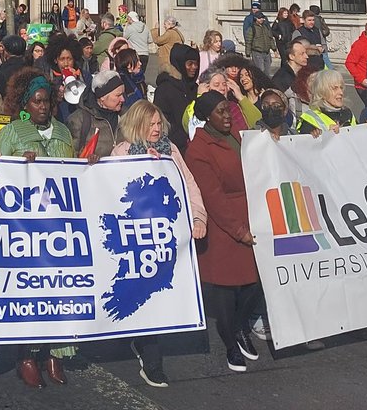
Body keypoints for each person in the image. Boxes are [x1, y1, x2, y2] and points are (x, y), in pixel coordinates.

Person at [110, 99, 207, 388]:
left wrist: (199, 217)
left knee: (161, 292)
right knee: (143, 294)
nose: (155, 128)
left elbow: (188, 183)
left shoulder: (171, 150)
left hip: (166, 233)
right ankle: (148, 352)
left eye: (158, 123)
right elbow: (112, 190)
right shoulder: (122, 152)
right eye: (150, 124)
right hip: (137, 236)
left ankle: (150, 351)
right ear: (137, 125)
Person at [0, 70, 80, 388]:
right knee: (29, 291)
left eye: (47, 101)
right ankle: (26, 354)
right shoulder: (13, 132)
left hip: (57, 228)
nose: (43, 107)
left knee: (58, 289)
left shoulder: (63, 132)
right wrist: (19, 167)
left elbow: (73, 174)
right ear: (25, 104)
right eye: (37, 101)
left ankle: (54, 352)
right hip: (23, 229)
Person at [183, 90, 261, 373]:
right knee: (228, 289)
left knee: (254, 283)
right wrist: (238, 231)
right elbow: (213, 197)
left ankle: (240, 329)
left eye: (228, 110)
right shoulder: (199, 149)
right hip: (223, 225)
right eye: (220, 112)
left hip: (249, 215)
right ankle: (231, 344)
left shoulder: (237, 137)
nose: (227, 116)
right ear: (206, 116)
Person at [67, 70, 126, 159]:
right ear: (102, 97)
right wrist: (86, 159)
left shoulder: (126, 116)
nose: (123, 99)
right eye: (118, 95)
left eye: (123, 94)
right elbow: (70, 155)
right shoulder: (79, 120)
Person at [154, 44, 200, 153]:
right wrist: (184, 140)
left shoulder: (195, 87)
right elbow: (162, 120)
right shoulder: (164, 89)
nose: (194, 67)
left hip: (196, 144)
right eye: (190, 64)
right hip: (175, 148)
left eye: (196, 63)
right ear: (179, 63)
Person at [298, 67, 360, 133]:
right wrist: (328, 136)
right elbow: (305, 142)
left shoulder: (348, 114)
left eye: (341, 88)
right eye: (335, 88)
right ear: (322, 92)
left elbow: (359, 138)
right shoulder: (310, 119)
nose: (341, 92)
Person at [243, 7, 276, 76]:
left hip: (266, 52)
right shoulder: (252, 28)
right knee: (260, 70)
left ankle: (266, 84)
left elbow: (270, 39)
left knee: (267, 71)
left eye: (262, 18)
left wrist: (274, 49)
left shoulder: (265, 27)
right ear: (256, 19)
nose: (262, 19)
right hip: (257, 52)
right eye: (260, 18)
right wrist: (248, 54)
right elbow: (248, 41)